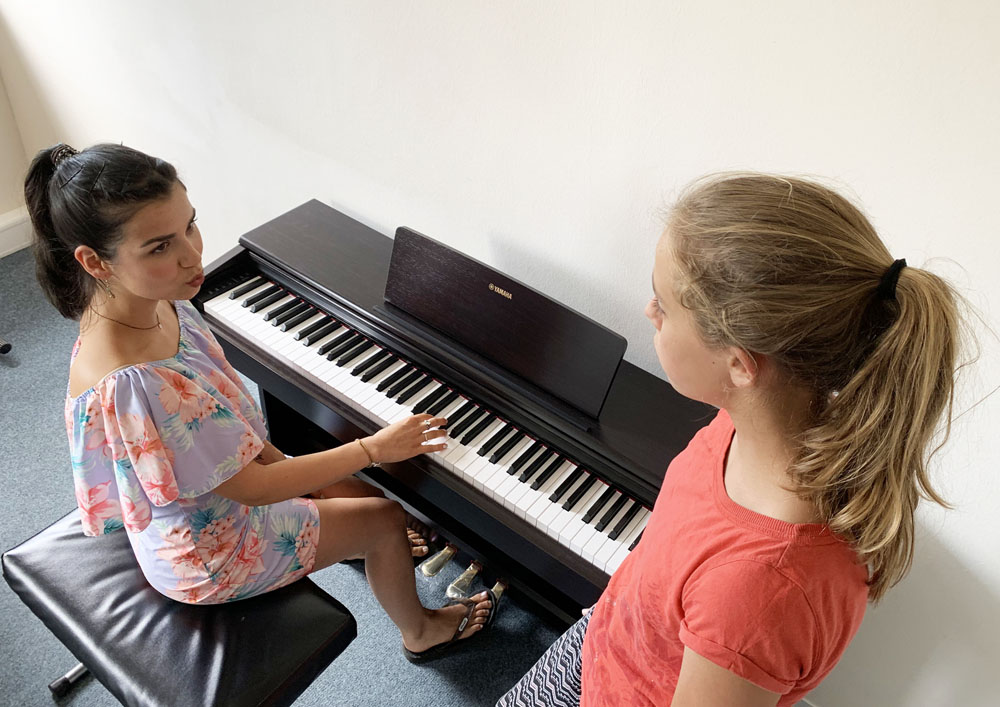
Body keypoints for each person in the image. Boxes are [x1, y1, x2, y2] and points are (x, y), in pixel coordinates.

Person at [498, 173, 962, 706]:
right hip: (601, 643)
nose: (651, 312)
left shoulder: (759, 589)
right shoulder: (753, 417)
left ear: (740, 364)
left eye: (664, 305)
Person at [26, 142, 494, 661]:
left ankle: (350, 538)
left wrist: (319, 474)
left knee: (349, 488)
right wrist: (372, 448)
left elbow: (230, 433)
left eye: (190, 225)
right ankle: (422, 631)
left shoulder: (152, 302)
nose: (192, 255)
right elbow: (252, 488)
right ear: (95, 261)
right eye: (159, 247)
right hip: (209, 552)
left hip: (214, 497)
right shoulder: (137, 380)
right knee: (384, 516)